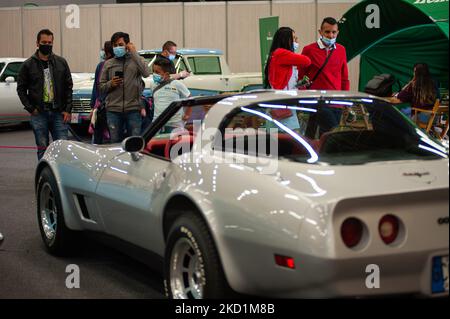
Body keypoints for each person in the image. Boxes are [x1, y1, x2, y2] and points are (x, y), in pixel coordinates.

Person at [17, 29, 73, 160]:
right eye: (44, 42)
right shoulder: (28, 65)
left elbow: (68, 87)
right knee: (42, 148)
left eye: (49, 42)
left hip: (59, 113)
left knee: (62, 148)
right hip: (39, 114)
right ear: (37, 43)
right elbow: (21, 89)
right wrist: (31, 108)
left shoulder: (61, 62)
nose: (47, 45)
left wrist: (67, 109)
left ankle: (62, 178)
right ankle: (44, 177)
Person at [100, 31, 151, 143]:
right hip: (113, 110)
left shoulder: (137, 60)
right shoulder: (108, 64)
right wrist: (111, 84)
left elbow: (146, 73)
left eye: (120, 45)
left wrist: (133, 52)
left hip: (133, 109)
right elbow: (101, 87)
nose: (117, 47)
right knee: (114, 142)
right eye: (115, 45)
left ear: (127, 45)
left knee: (134, 142)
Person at [264, 26, 311, 130]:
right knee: (289, 140)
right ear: (286, 40)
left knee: (277, 141)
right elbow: (307, 61)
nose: (297, 41)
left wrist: (299, 84)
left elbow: (285, 82)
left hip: (283, 104)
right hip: (283, 106)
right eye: (294, 38)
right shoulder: (281, 53)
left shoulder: (277, 54)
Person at [298, 17, 349, 91]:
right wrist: (304, 94)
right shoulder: (308, 50)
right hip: (315, 98)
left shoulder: (341, 50)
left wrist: (345, 97)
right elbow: (301, 76)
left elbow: (344, 78)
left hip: (335, 98)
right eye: (327, 32)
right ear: (320, 32)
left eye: (334, 32)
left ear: (337, 32)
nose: (331, 35)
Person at [151, 58, 191, 132]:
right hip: (157, 123)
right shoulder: (153, 85)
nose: (154, 74)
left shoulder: (177, 84)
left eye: (157, 72)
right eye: (153, 71)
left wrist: (187, 114)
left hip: (174, 124)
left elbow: (190, 98)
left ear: (166, 74)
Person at [89, 41, 114, 144]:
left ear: (107, 52)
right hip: (114, 105)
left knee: (98, 136)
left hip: (101, 106)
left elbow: (96, 87)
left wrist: (92, 106)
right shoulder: (119, 65)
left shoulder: (101, 65)